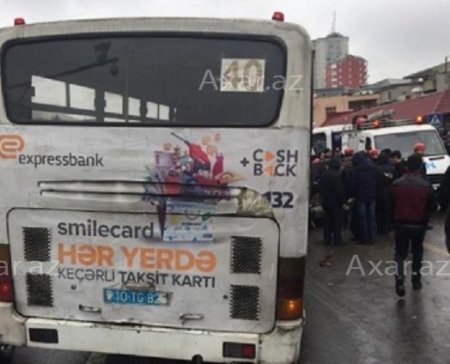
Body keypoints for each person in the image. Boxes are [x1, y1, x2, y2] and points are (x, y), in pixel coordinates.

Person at [391, 154, 436, 297]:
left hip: (401, 223)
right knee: (417, 252)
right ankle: (416, 278)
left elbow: (390, 204)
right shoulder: (425, 185)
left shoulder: (397, 184)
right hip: (419, 224)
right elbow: (432, 206)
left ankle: (399, 276)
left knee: (400, 253)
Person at [351, 151, 378, 244]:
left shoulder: (356, 169)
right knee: (371, 217)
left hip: (361, 195)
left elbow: (353, 184)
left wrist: (353, 194)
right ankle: (372, 237)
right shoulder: (373, 166)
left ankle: (364, 238)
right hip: (372, 195)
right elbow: (377, 179)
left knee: (362, 218)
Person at [319, 157, 346, 246]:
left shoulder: (324, 175)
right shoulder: (337, 176)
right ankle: (337, 239)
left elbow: (320, 188)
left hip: (326, 201)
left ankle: (327, 239)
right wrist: (342, 201)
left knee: (327, 222)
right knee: (336, 222)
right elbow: (339, 190)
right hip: (335, 203)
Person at [376, 152, 395, 234]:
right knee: (387, 210)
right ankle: (387, 227)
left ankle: (380, 227)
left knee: (379, 211)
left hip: (378, 192)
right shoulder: (392, 169)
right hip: (389, 192)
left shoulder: (376, 168)